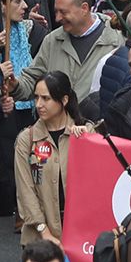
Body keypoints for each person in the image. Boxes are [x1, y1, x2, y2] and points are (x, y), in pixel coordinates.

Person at [11, 72, 78, 247]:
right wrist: (44, 231)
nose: (39, 104)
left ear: (64, 100)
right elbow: (25, 192)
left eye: (46, 98)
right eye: (36, 98)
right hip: (39, 238)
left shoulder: (84, 134)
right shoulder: (27, 139)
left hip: (79, 237)